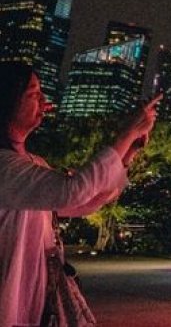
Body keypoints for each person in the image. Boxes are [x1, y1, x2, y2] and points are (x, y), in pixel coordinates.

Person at [0, 63, 158, 326]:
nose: (43, 100)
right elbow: (73, 191)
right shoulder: (6, 168)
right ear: (7, 101)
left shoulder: (33, 163)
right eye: (33, 93)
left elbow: (84, 202)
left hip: (33, 304)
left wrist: (128, 152)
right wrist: (128, 132)